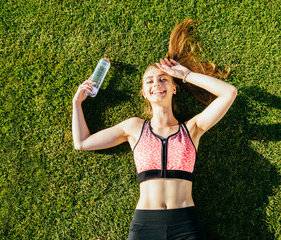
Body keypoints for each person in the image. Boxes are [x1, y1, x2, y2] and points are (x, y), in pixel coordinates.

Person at [72, 19, 237, 240]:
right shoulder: (133, 127)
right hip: (145, 225)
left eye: (163, 79)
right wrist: (77, 103)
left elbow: (229, 93)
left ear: (174, 88)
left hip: (186, 225)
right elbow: (81, 142)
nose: (156, 84)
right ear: (144, 93)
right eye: (149, 81)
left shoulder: (192, 128)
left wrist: (186, 74)